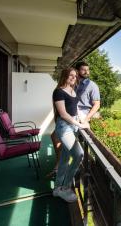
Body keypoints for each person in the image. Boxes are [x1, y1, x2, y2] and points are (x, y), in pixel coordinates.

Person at [47, 62, 100, 176]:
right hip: (69, 119)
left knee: (79, 151)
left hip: (81, 118)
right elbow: (64, 107)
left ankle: (86, 170)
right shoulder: (72, 85)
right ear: (76, 71)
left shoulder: (92, 85)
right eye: (83, 70)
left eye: (88, 70)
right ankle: (60, 168)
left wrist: (86, 119)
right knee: (56, 138)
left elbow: (97, 104)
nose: (87, 72)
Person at [51, 67, 89, 203]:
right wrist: (80, 125)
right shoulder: (59, 92)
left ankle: (57, 188)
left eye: (75, 75)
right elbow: (63, 114)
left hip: (73, 126)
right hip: (64, 127)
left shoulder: (72, 90)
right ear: (64, 76)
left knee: (64, 159)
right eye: (70, 75)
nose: (73, 77)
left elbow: (75, 108)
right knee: (79, 154)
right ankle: (65, 187)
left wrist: (82, 119)